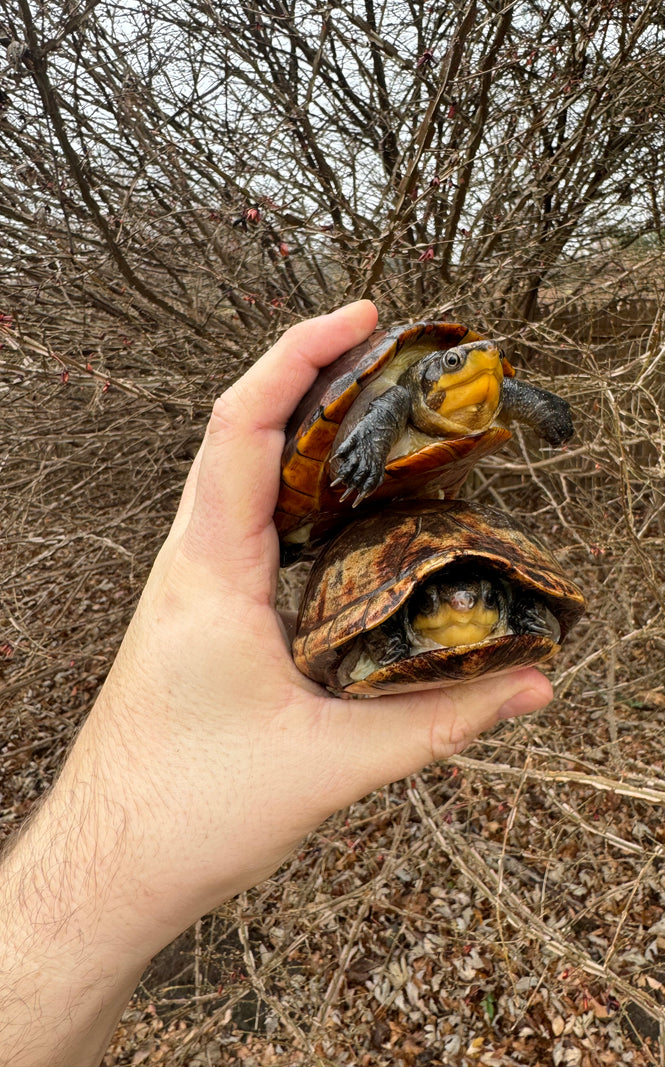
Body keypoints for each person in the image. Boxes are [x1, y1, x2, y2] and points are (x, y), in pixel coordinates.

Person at [0, 301, 553, 1067]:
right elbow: (380, 401)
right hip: (335, 502)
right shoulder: (397, 393)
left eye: (489, 370)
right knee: (382, 416)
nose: (477, 368)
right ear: (426, 378)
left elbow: (499, 392)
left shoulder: (480, 397)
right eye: (456, 366)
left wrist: (535, 407)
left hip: (413, 512)